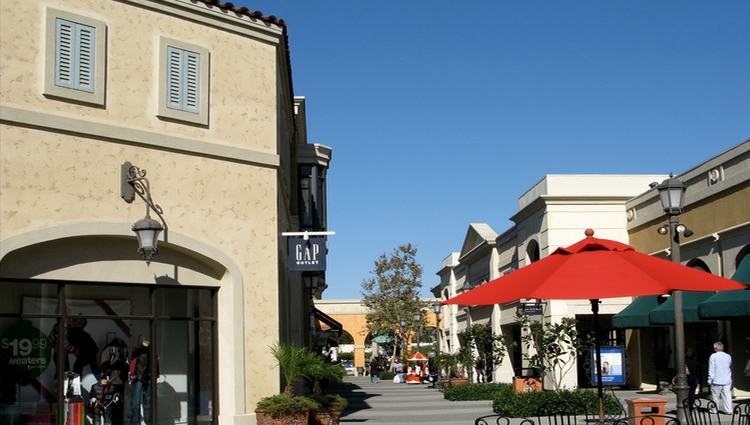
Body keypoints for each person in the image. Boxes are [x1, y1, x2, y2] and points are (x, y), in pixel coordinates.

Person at [707, 341, 732, 414]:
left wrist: (710, 379)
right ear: (722, 348)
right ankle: (729, 410)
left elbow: (711, 368)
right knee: (727, 396)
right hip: (727, 379)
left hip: (716, 380)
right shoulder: (728, 356)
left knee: (715, 396)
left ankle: (714, 409)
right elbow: (729, 367)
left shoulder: (713, 356)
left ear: (715, 348)